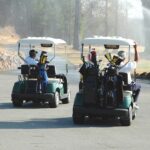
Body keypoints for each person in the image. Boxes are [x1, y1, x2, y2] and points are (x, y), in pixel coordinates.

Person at [117, 43, 141, 109]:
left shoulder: (113, 65)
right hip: (126, 86)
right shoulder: (128, 65)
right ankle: (135, 102)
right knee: (138, 87)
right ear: (124, 58)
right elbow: (136, 60)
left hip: (115, 85)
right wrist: (135, 48)